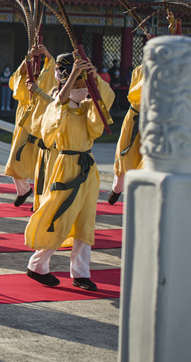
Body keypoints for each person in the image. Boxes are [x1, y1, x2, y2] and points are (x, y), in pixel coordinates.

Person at [24, 54, 114, 291]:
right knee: (60, 217)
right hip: (66, 167)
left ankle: (81, 272)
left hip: (88, 166)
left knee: (85, 222)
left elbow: (102, 112)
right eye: (79, 85)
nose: (83, 89)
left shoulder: (87, 107)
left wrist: (92, 74)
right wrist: (73, 74)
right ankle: (37, 264)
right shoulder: (58, 105)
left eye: (85, 85)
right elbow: (49, 126)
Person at [5, 44, 56, 206]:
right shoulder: (24, 76)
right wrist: (27, 59)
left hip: (39, 122)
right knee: (14, 161)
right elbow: (14, 81)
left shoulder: (45, 80)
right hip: (23, 122)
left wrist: (47, 54)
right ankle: (24, 189)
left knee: (40, 163)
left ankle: (39, 199)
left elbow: (52, 70)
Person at [108, 62, 145, 204]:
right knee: (125, 155)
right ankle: (117, 188)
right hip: (135, 118)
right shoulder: (139, 71)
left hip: (154, 121)